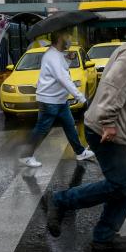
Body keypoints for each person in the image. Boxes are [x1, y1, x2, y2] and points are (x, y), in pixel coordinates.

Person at [42, 15, 126, 252]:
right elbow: (113, 87)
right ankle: (61, 201)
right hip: (106, 130)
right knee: (120, 184)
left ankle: (104, 235)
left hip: (120, 131)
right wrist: (108, 122)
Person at [18, 30, 95, 167]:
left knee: (69, 125)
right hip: (49, 101)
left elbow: (61, 70)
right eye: (67, 36)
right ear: (60, 38)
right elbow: (63, 78)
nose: (69, 40)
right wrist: (81, 98)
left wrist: (68, 59)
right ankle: (26, 156)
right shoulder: (52, 56)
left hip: (59, 100)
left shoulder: (58, 54)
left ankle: (80, 152)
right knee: (42, 128)